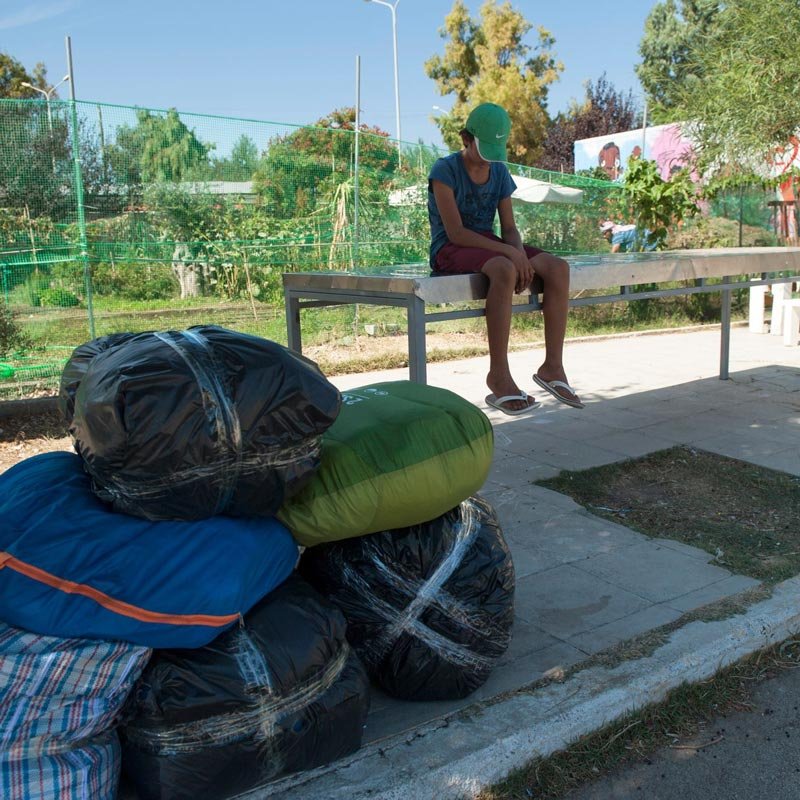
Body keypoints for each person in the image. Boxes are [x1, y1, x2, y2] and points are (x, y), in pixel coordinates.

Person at [428, 102, 583, 416]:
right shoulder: (444, 170)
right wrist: (511, 254)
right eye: (483, 150)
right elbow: (456, 233)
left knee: (558, 268)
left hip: (491, 245)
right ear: (466, 139)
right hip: (450, 248)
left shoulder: (499, 170)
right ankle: (498, 375)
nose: (489, 160)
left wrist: (519, 251)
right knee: (503, 268)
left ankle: (553, 366)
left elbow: (509, 228)